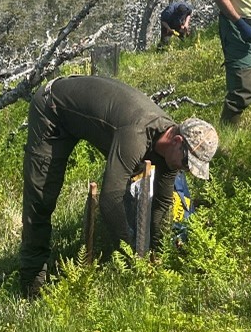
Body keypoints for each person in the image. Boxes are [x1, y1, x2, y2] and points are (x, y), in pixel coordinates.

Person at [20, 75, 219, 298]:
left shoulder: (169, 146)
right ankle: (31, 283)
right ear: (178, 141)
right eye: (186, 163)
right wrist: (132, 254)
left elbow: (163, 203)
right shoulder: (137, 134)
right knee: (41, 199)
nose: (184, 170)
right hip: (53, 109)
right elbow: (110, 200)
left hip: (83, 114)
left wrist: (157, 254)